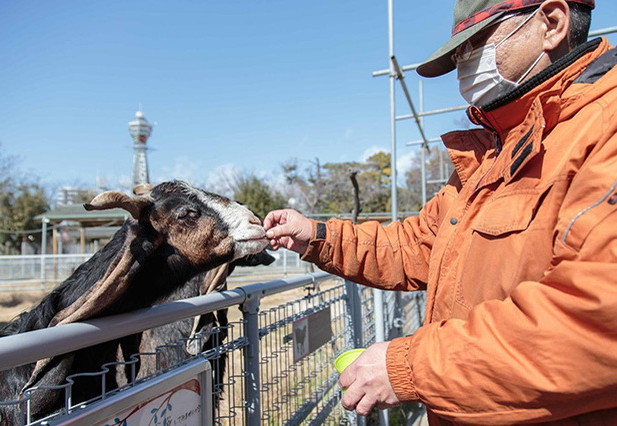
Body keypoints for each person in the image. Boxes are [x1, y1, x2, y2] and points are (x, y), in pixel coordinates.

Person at [264, 0, 617, 424]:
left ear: (552, 23)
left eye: (476, 45)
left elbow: (595, 321)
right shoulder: (496, 153)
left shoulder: (603, 129)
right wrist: (318, 236)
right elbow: (418, 244)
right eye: (458, 56)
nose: (465, 67)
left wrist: (409, 368)